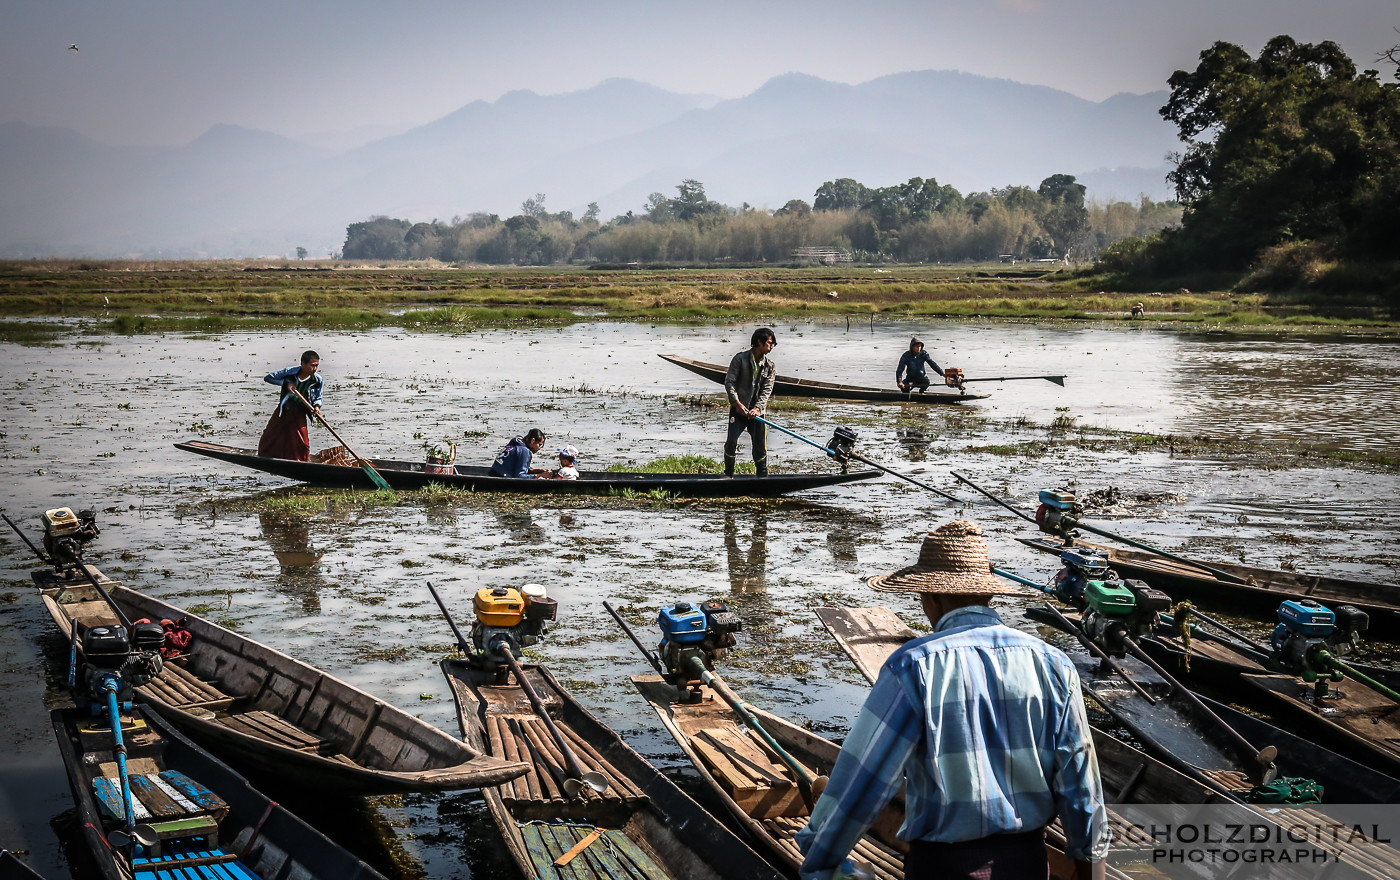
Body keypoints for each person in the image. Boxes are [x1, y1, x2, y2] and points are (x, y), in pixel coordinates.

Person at [796, 520, 1110, 880]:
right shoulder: (1053, 664)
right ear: (988, 595)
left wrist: (819, 856)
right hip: (1029, 864)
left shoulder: (914, 666)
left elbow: (862, 783)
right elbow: (1081, 785)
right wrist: (1089, 867)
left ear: (929, 597)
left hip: (944, 868)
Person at [723, 327, 777, 477]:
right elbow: (730, 383)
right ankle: (728, 474)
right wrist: (737, 404)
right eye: (769, 343)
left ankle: (762, 476)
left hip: (757, 413)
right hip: (739, 410)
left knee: (760, 446)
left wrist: (758, 408)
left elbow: (767, 390)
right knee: (731, 442)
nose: (771, 346)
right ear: (759, 342)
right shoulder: (739, 359)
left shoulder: (770, 366)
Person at [258, 350, 323, 461]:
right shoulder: (289, 373)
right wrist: (286, 383)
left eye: (317, 366)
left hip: (300, 411)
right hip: (285, 409)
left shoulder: (317, 380)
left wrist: (316, 407)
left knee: (302, 441)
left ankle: (301, 461)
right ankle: (264, 457)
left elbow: (318, 396)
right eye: (312, 365)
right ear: (303, 364)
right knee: (270, 435)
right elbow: (268, 377)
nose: (315, 369)